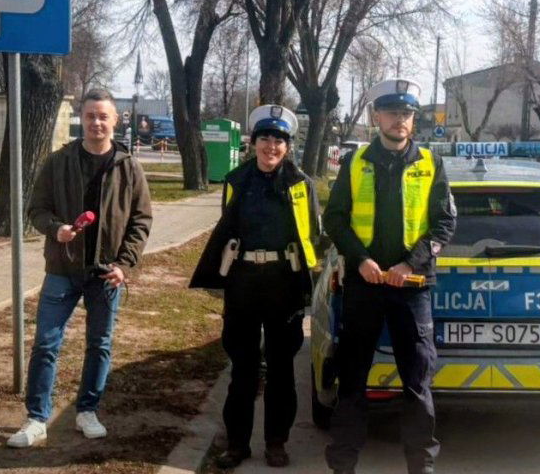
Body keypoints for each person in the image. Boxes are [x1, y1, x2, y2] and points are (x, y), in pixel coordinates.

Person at [6, 88, 153, 448]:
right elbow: (36, 209)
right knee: (45, 343)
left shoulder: (128, 166)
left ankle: (87, 411)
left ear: (115, 121)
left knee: (99, 345)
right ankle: (37, 418)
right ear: (81, 120)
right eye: (90, 116)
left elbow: (141, 219)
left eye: (103, 116)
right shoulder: (58, 161)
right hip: (62, 269)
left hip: (106, 274)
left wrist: (124, 264)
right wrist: (56, 229)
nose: (96, 123)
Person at [324, 79, 456, 474]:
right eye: (392, 112)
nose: (400, 120)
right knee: (351, 382)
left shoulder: (431, 164)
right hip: (364, 286)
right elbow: (334, 218)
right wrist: (360, 258)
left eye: (407, 114)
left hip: (411, 288)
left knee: (417, 385)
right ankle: (343, 466)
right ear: (376, 116)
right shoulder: (355, 162)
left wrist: (409, 265)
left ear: (413, 120)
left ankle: (422, 467)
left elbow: (445, 223)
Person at [190, 104, 321, 469]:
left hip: (284, 285)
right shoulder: (236, 180)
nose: (271, 146)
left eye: (279, 140)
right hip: (244, 285)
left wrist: (311, 278)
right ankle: (237, 444)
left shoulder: (300, 184)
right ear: (253, 142)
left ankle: (276, 442)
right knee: (242, 368)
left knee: (281, 371)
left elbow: (314, 234)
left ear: (288, 147)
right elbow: (226, 230)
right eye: (265, 138)